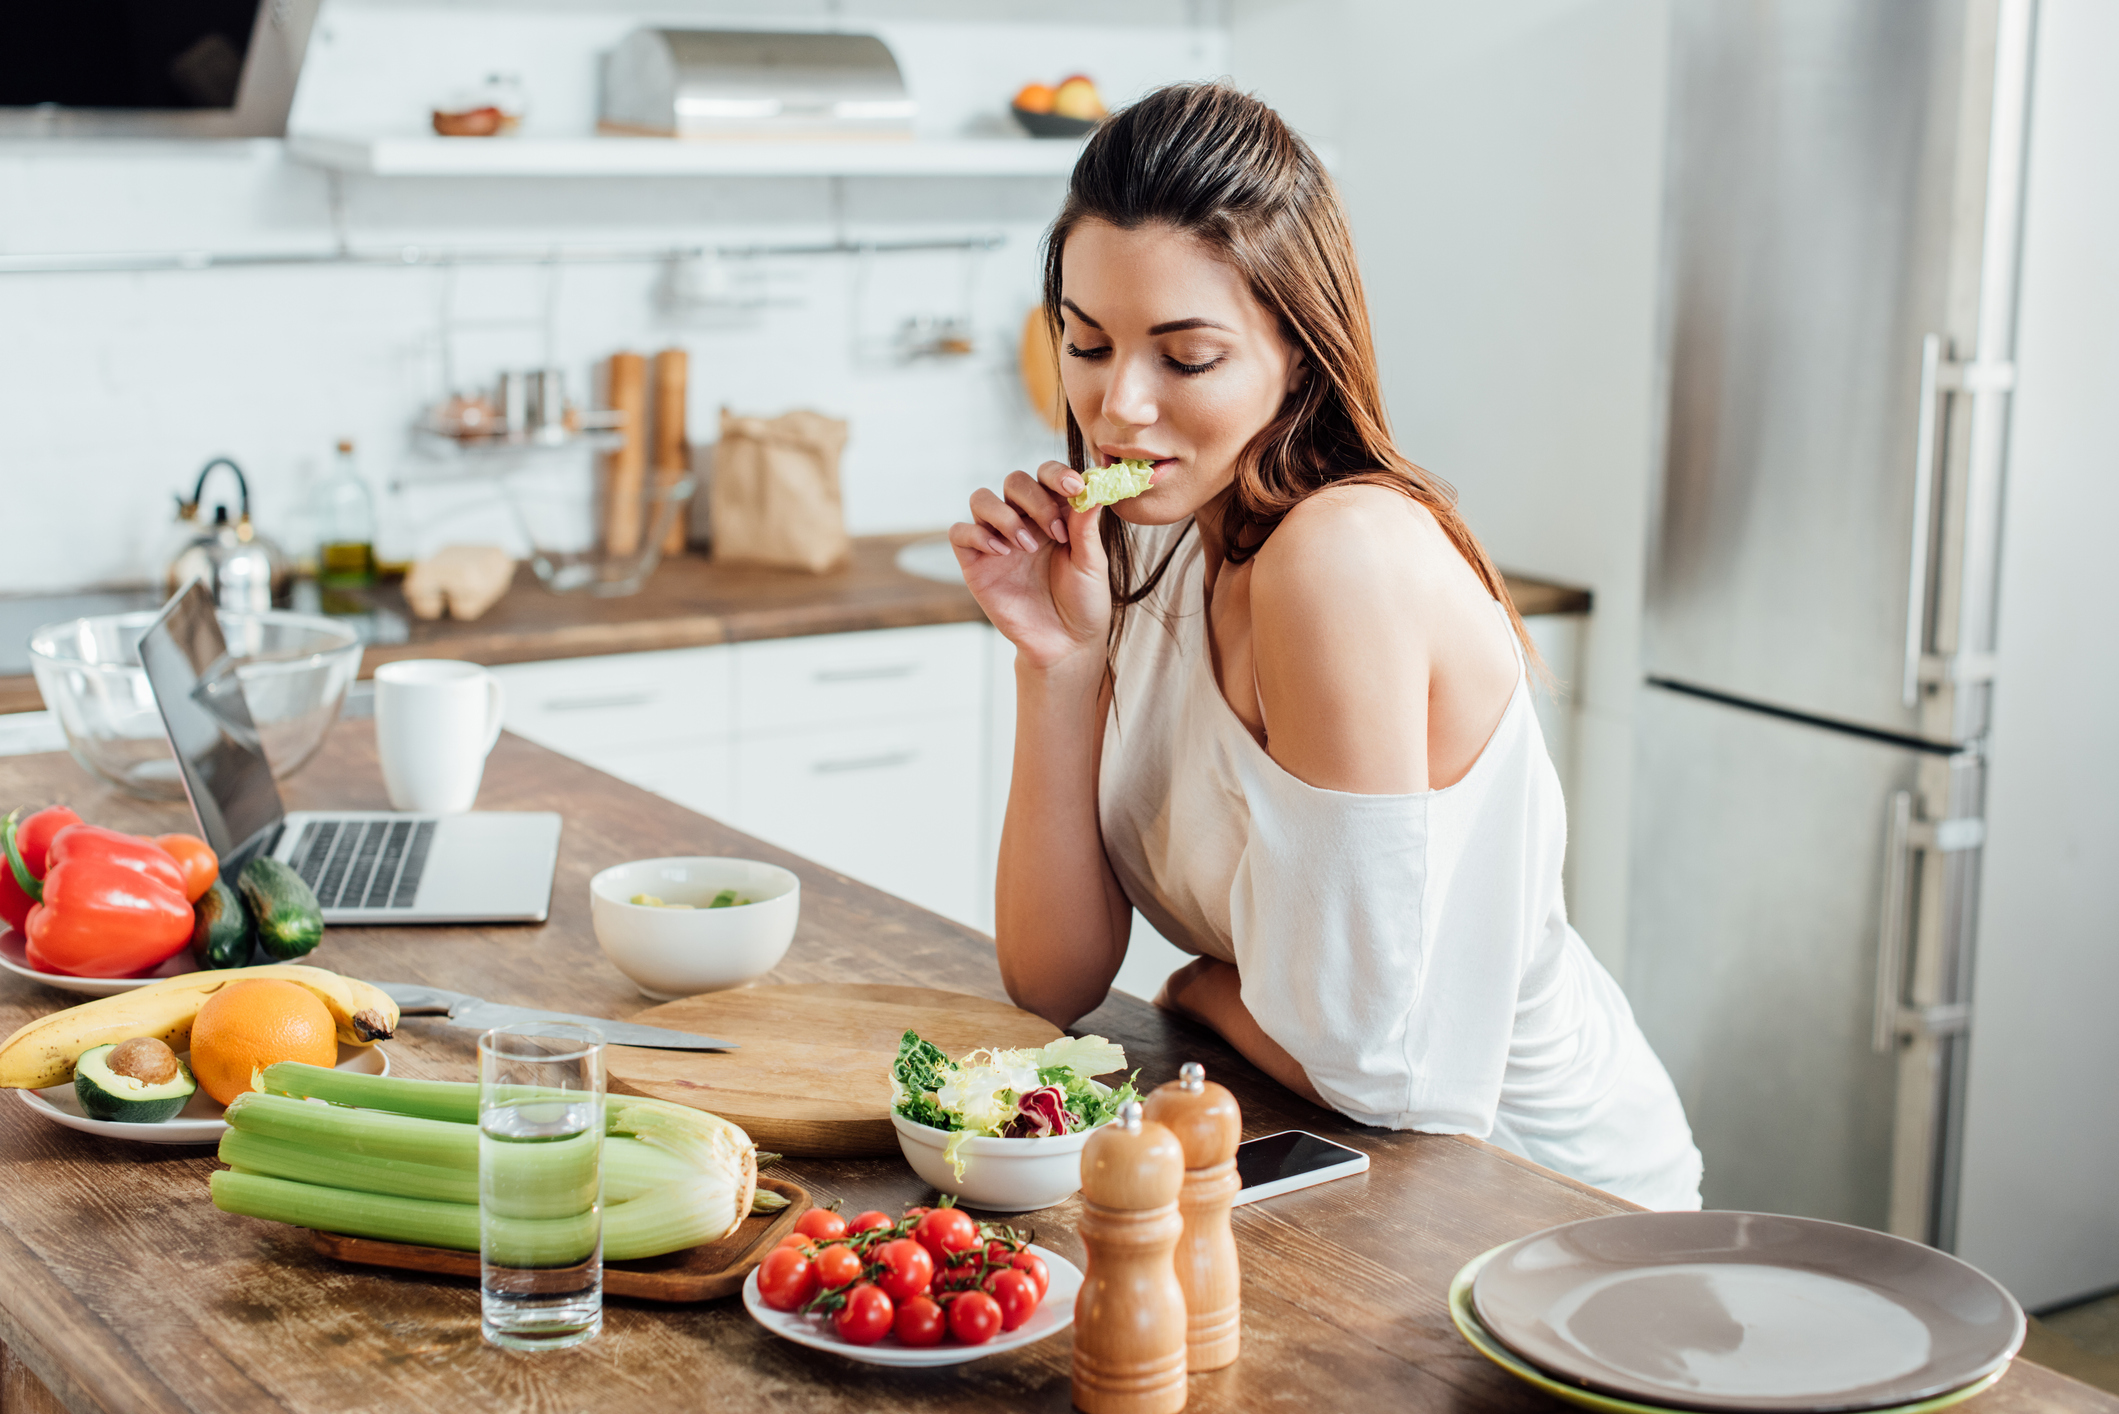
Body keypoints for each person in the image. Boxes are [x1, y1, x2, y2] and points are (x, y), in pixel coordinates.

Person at [950, 83, 1701, 1210]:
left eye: (1186, 357)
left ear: (1298, 353)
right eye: (1087, 344)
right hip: (1348, 1170)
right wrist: (1056, 664)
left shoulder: (1335, 558)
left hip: (1546, 1200)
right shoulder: (1154, 547)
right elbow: (1049, 982)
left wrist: (1203, 983)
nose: (1120, 408)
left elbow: (1375, 1070)